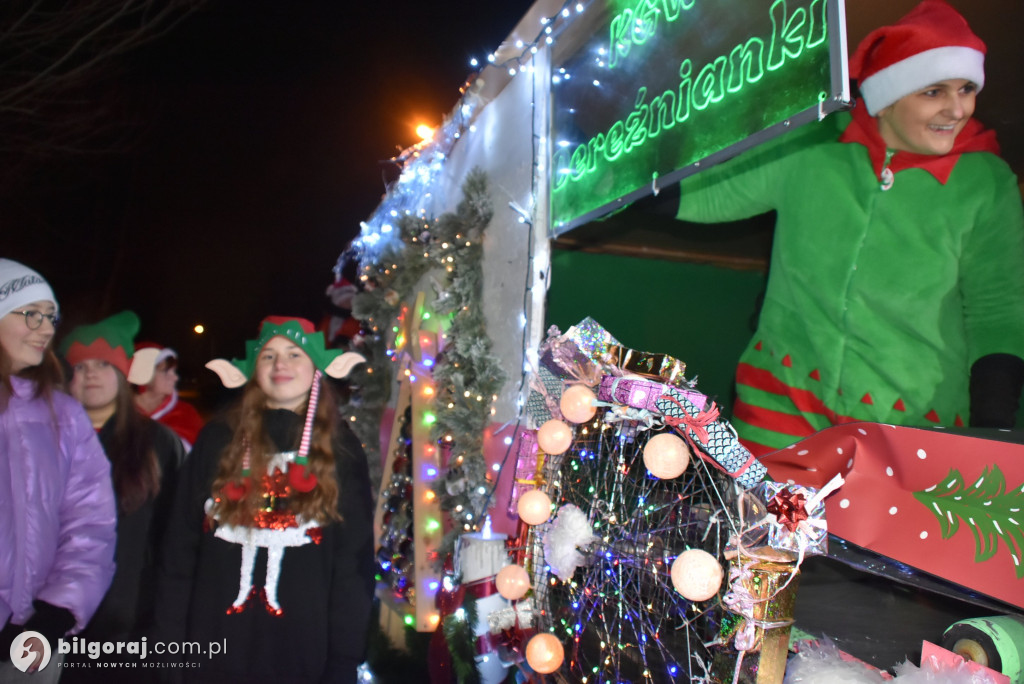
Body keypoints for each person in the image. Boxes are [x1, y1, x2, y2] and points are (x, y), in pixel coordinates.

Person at [663, 0, 1024, 455]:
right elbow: (710, 194)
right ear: (887, 98)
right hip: (779, 408)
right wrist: (614, 181)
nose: (957, 109)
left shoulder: (985, 183)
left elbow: (998, 312)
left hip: (910, 427)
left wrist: (992, 431)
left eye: (967, 89)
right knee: (757, 505)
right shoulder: (815, 141)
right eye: (934, 92)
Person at [153, 316, 374, 684]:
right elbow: (178, 550)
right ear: (253, 368)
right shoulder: (217, 439)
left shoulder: (343, 451)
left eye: (294, 354)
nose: (280, 363)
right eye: (268, 355)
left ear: (317, 367)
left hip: (302, 662)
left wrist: (342, 662)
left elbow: (352, 567)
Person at [0, 259, 116, 683]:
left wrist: (56, 612)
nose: (46, 328)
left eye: (50, 316)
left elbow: (90, 522)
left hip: (34, 645)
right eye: (31, 313)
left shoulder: (64, 414)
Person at [58, 311, 184, 680]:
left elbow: (175, 535)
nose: (91, 374)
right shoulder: (47, 439)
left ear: (123, 372)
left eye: (102, 364)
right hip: (53, 622)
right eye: (80, 367)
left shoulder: (157, 443)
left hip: (129, 622)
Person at [133, 342, 204, 450]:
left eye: (174, 371)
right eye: (165, 372)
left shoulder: (185, 414)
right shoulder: (117, 412)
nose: (175, 378)